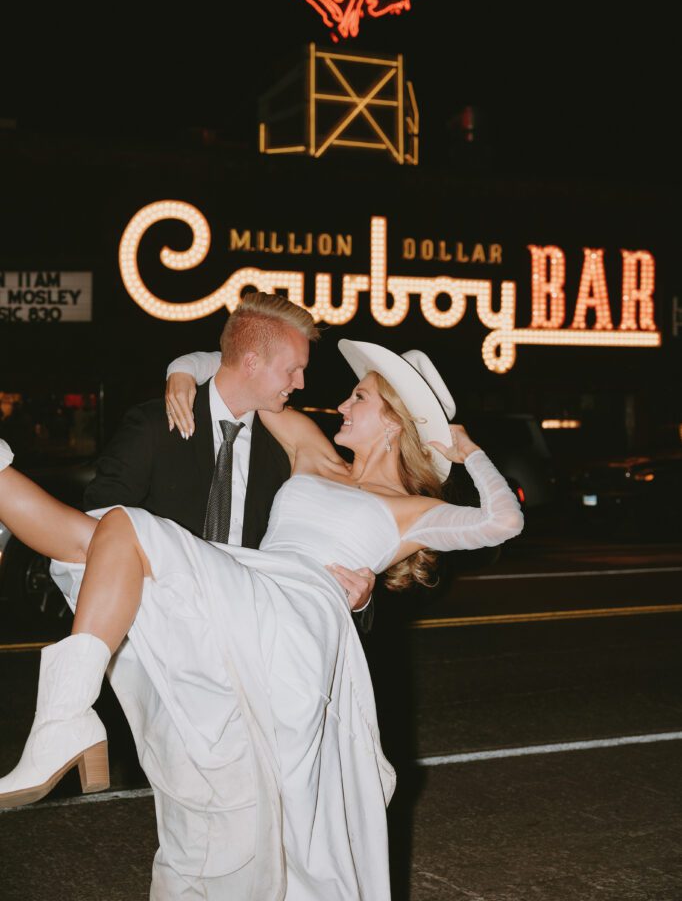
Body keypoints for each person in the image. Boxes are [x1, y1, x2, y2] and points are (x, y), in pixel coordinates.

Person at [0, 337, 524, 900]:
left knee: (127, 525)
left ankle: (65, 720)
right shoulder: (313, 452)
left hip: (296, 618)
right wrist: (182, 370)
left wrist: (467, 450)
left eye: (359, 397)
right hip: (249, 583)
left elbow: (503, 521)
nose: (342, 406)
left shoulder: (413, 513)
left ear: (395, 422)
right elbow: (248, 378)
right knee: (95, 536)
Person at [85, 292, 376, 619]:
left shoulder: (288, 446)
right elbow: (98, 521)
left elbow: (321, 541)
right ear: (252, 363)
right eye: (293, 370)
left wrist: (361, 598)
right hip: (155, 622)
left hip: (249, 628)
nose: (301, 382)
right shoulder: (153, 426)